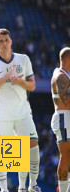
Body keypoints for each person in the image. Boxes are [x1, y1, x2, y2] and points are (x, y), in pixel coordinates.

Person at [0, 28, 41, 192]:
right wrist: (5, 79)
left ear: (11, 41)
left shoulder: (23, 59)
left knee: (33, 145)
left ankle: (29, 186)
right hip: (2, 114)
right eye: (1, 41)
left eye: (6, 40)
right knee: (1, 153)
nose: (4, 43)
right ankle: (4, 189)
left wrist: (19, 82)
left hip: (23, 111)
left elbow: (33, 85)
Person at [50, 47, 70, 192]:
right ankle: (63, 189)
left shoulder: (65, 75)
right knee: (65, 155)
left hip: (66, 118)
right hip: (64, 118)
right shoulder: (60, 77)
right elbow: (67, 101)